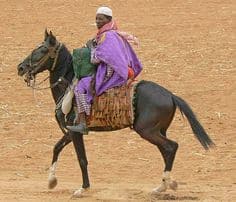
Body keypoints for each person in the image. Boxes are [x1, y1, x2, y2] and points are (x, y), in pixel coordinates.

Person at [67, 6, 142, 134]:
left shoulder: (107, 36)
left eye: (100, 19)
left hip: (111, 72)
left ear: (108, 20)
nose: (97, 21)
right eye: (96, 18)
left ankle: (83, 122)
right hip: (118, 70)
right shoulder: (113, 34)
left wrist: (92, 49)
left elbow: (97, 59)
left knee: (80, 87)